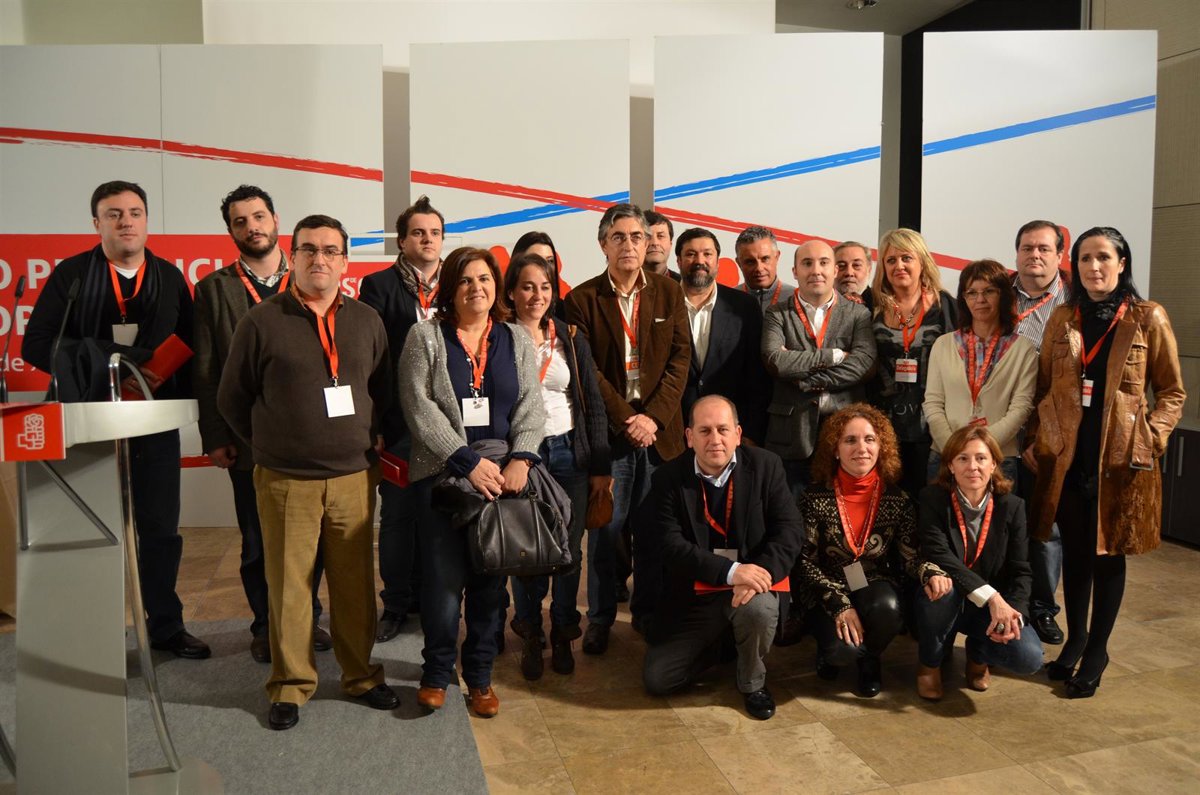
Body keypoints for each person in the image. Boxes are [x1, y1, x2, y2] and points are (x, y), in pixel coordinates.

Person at [218, 214, 398, 730]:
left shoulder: (367, 320)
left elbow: (381, 391)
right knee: (290, 587)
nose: (320, 259)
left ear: (345, 261)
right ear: (291, 257)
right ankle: (291, 685)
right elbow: (232, 398)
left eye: (330, 250)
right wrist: (272, 445)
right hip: (285, 480)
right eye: (308, 249)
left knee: (354, 586)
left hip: (353, 478)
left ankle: (360, 675)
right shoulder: (261, 321)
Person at [23, 180, 210, 660]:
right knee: (89, 531)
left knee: (161, 530)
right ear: (97, 223)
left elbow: (193, 347)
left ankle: (166, 626)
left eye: (134, 212)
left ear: (146, 220)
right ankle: (91, 636)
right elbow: (36, 344)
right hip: (88, 424)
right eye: (114, 214)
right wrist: (103, 357)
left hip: (154, 423)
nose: (126, 221)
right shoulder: (71, 276)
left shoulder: (169, 277)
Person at [1025, 226, 1185, 698]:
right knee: (1075, 553)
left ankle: (1098, 650)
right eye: (1085, 258)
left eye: (1103, 258)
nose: (1094, 267)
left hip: (1119, 461)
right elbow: (1043, 386)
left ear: (1122, 263)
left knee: (1108, 553)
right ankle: (1075, 639)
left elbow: (1172, 392)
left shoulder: (1147, 317)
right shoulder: (1063, 318)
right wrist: (1036, 436)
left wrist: (1150, 439)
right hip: (1068, 457)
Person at [398, 246, 547, 717]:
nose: (475, 288)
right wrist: (464, 461)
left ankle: (480, 677)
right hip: (442, 479)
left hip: (501, 480)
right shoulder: (425, 336)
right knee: (443, 586)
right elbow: (418, 406)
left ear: (496, 286)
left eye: (484, 279)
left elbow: (531, 406)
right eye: (465, 280)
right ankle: (436, 673)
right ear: (450, 288)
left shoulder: (515, 338)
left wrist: (522, 459)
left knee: (489, 584)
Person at [193, 185, 330, 663]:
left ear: (275, 221)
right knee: (257, 541)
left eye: (258, 217)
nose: (251, 227)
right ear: (230, 231)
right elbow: (206, 370)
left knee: (311, 540)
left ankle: (307, 619)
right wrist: (215, 435)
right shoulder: (214, 290)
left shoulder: (311, 277)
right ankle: (264, 625)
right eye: (240, 221)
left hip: (311, 436)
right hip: (248, 437)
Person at [565, 203, 690, 651]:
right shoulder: (581, 300)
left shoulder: (669, 292)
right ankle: (599, 618)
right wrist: (627, 418)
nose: (630, 245)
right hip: (611, 436)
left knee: (654, 531)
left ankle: (647, 613)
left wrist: (652, 418)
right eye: (619, 237)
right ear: (603, 244)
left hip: (659, 435)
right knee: (605, 534)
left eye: (638, 237)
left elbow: (680, 359)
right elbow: (588, 372)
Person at [642, 396, 802, 720]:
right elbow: (670, 546)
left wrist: (756, 575)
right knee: (659, 678)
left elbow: (790, 531)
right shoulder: (667, 478)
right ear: (689, 437)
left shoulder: (767, 466)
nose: (715, 439)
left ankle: (752, 682)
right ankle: (726, 647)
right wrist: (732, 572)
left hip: (751, 590)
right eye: (704, 431)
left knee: (758, 608)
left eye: (722, 429)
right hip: (697, 594)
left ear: (738, 434)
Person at [505, 252, 611, 680]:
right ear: (511, 292)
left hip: (569, 451)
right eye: (528, 287)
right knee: (526, 550)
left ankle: (564, 631)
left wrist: (600, 465)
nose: (537, 295)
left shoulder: (568, 335)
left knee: (568, 549)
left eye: (545, 287)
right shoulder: (499, 337)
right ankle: (531, 632)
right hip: (521, 456)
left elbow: (592, 403)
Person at [797, 404, 937, 697]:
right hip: (825, 588)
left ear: (881, 447)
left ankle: (870, 658)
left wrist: (930, 572)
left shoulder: (897, 499)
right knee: (841, 653)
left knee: (888, 609)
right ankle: (835, 653)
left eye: (869, 439)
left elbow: (911, 556)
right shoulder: (812, 498)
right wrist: (841, 605)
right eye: (850, 440)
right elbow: (804, 562)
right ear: (835, 450)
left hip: (872, 582)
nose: (861, 448)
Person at [359, 195, 445, 643]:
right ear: (402, 240)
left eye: (434, 233)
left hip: (450, 424)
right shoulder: (378, 286)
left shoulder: (459, 281)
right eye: (418, 233)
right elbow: (370, 361)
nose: (427, 240)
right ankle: (395, 604)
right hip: (399, 425)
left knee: (441, 517)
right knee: (396, 518)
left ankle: (433, 600)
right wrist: (375, 423)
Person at [914, 426, 1044, 700]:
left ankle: (978, 655)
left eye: (981, 458)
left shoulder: (1012, 507)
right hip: (946, 598)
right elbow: (940, 555)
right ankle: (930, 665)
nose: (972, 466)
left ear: (994, 464)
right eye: (963, 458)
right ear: (950, 465)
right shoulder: (932, 499)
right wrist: (993, 598)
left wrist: (1013, 614)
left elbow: (1021, 570)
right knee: (941, 589)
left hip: (986, 609)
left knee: (1029, 657)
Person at [762, 240, 876, 500]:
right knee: (791, 514)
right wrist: (835, 355)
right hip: (792, 438)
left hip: (845, 435)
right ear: (794, 271)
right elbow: (776, 361)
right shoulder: (776, 314)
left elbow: (863, 365)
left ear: (834, 270)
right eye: (807, 263)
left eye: (824, 263)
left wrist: (804, 377)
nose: (816, 270)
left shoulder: (858, 314)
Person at [923, 259, 1037, 484]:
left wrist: (981, 449)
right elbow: (933, 403)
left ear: (1003, 295)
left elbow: (1021, 408)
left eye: (989, 291)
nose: (980, 300)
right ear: (963, 299)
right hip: (945, 455)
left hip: (998, 458)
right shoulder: (943, 345)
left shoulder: (1023, 349)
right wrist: (954, 448)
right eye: (972, 293)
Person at [1011, 220, 1071, 646]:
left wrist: (1041, 435)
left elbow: (1068, 383)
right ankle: (1002, 602)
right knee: (1000, 523)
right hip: (996, 430)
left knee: (1045, 526)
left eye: (1044, 249)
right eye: (1027, 247)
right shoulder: (997, 295)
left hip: (1047, 432)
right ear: (1016, 253)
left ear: (1059, 255)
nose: (1035, 255)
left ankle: (1043, 607)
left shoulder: (1074, 305)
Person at [868, 228, 957, 499]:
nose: (899, 266)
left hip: (934, 422)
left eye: (906, 258)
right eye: (891, 260)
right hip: (883, 423)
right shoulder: (870, 303)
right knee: (888, 500)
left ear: (922, 262)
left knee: (930, 499)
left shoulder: (945, 305)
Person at [676, 227, 771, 444]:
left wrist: (750, 433)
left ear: (718, 261)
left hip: (729, 434)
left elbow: (757, 377)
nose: (700, 261)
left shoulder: (744, 307)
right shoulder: (662, 303)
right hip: (674, 432)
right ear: (679, 261)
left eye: (707, 254)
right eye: (691, 254)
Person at [734, 225, 794, 313]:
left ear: (777, 257)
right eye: (750, 261)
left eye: (765, 259)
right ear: (739, 263)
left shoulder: (797, 299)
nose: (759, 268)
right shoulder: (727, 300)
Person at [511, 230, 567, 318]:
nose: (544, 267)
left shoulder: (563, 310)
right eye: (536, 260)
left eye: (550, 261)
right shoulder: (499, 318)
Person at [834, 240, 874, 310]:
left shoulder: (883, 306)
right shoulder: (820, 303)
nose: (849, 272)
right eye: (841, 266)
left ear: (869, 270)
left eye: (856, 265)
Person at [643, 210, 680, 282]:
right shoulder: (623, 283)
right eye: (648, 236)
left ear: (670, 244)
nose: (655, 243)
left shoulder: (683, 285)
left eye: (660, 236)